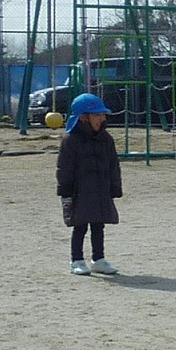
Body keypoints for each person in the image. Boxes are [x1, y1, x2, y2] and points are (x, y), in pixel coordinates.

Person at [57, 92, 121, 276]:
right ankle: (76, 259)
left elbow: (113, 164)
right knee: (80, 225)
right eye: (97, 115)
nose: (102, 118)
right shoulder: (70, 140)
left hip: (100, 189)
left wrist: (115, 186)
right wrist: (65, 190)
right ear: (83, 117)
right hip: (80, 191)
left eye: (102, 115)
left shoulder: (106, 139)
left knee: (98, 225)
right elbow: (64, 167)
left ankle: (98, 258)